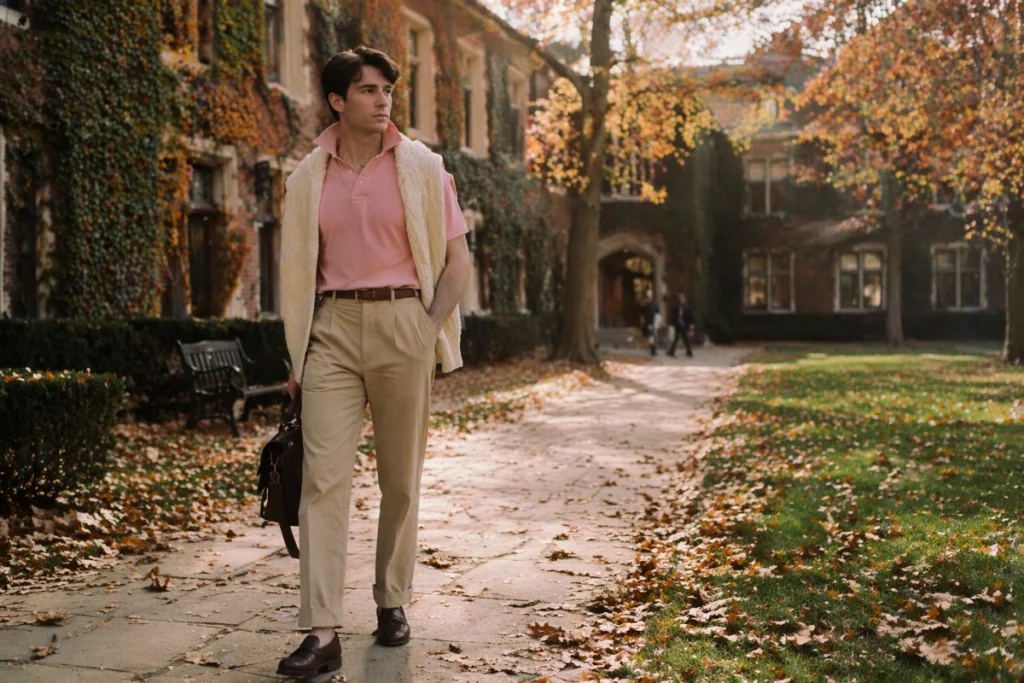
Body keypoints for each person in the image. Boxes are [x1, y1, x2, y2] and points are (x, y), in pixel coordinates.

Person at [276, 47, 471, 678]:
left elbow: (457, 260)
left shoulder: (423, 167)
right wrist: (298, 352)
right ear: (337, 100)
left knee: (400, 479)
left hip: (402, 323)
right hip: (331, 330)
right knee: (321, 481)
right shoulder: (306, 177)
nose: (382, 99)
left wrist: (426, 327)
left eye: (386, 88)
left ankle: (392, 599)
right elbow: (296, 272)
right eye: (367, 89)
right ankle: (321, 631)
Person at [668, 292, 695, 358]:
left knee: (685, 339)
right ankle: (671, 352)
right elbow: (673, 316)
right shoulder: (676, 307)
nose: (682, 300)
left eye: (683, 299)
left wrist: (691, 325)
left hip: (684, 325)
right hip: (678, 325)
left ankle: (689, 352)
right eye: (681, 298)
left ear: (685, 299)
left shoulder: (687, 308)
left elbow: (691, 317)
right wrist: (674, 323)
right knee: (676, 338)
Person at [640, 290, 661, 356]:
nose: (649, 297)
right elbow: (641, 314)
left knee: (654, 338)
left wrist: (657, 323)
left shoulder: (655, 305)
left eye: (650, 296)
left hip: (654, 323)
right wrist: (643, 322)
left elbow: (658, 314)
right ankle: (653, 351)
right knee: (650, 337)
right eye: (648, 296)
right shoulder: (645, 305)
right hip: (648, 323)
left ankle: (654, 350)